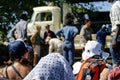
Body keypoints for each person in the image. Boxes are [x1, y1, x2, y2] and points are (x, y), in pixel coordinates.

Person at [108, 0, 120, 68]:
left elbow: (118, 23)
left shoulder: (115, 6)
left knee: (116, 63)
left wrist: (115, 39)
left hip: (117, 35)